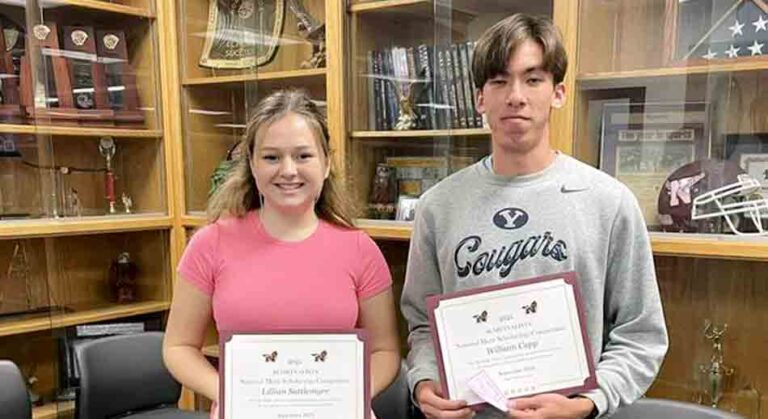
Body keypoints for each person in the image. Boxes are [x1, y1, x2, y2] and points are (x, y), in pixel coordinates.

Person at [401, 14, 668, 419]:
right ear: (479, 99)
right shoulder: (439, 206)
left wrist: (586, 402)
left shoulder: (609, 202)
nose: (515, 96)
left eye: (533, 79)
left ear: (558, 93)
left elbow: (641, 335)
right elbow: (423, 324)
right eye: (499, 81)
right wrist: (423, 380)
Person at [163, 89, 401, 418]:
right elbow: (178, 347)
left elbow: (386, 351)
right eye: (272, 157)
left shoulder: (360, 250)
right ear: (251, 164)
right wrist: (232, 394)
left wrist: (350, 397)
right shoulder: (210, 243)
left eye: (303, 156)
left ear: (327, 163)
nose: (288, 170)